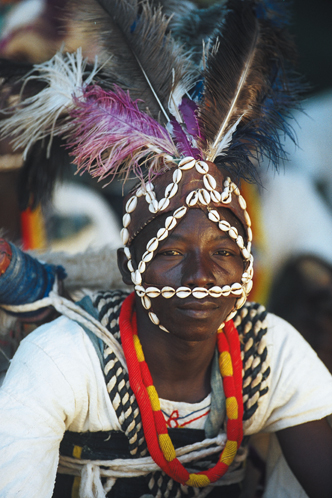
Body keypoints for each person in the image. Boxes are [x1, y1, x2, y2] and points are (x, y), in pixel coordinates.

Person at [0, 0, 332, 497]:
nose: (202, 274)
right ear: (127, 266)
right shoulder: (62, 361)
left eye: (225, 253)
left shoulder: (268, 348)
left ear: (248, 263)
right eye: (172, 252)